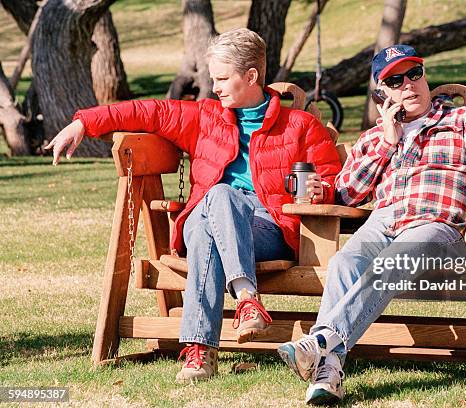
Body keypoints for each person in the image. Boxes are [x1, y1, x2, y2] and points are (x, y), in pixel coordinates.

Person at [46, 28, 342, 384]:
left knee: (210, 217)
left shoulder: (301, 126)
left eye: (221, 78)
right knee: (216, 200)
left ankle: (199, 352)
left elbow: (330, 182)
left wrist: (317, 190)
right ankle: (247, 298)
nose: (214, 87)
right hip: (210, 214)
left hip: (267, 227)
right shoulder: (205, 117)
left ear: (251, 76)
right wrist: (84, 122)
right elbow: (147, 111)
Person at [278, 44, 466, 405]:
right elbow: (348, 194)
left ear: (425, 76)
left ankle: (319, 342)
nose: (409, 85)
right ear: (382, 94)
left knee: (393, 260)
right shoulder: (375, 138)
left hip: (436, 224)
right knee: (344, 262)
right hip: (384, 220)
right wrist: (387, 141)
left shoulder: (463, 120)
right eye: (395, 80)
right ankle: (328, 371)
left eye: (415, 74)